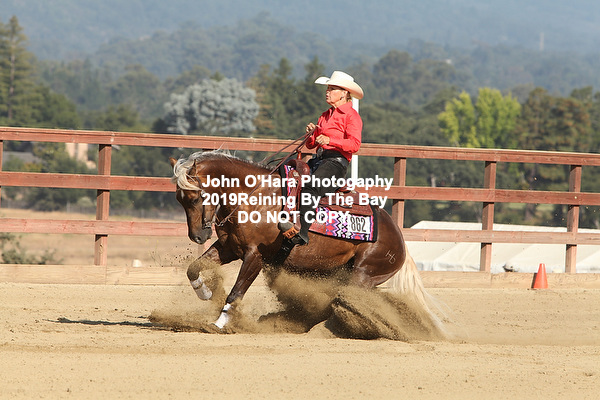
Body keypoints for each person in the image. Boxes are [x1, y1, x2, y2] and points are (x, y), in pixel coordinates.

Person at [279, 71, 364, 245]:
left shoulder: (351, 116)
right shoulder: (325, 115)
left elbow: (355, 145)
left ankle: (302, 232)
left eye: (332, 89)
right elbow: (312, 145)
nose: (327, 92)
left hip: (336, 163)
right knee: (286, 172)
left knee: (311, 186)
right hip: (320, 160)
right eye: (328, 88)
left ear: (344, 93)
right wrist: (312, 134)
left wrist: (330, 140)